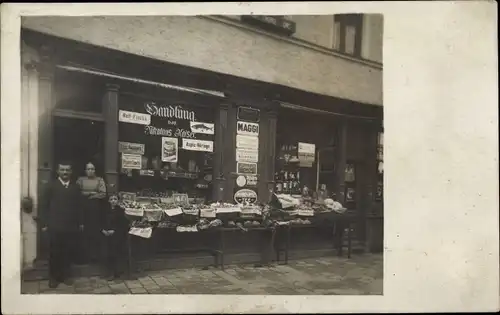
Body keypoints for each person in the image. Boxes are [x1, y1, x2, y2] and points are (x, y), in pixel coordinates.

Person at [39, 161, 84, 288]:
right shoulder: (51, 186)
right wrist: (44, 223)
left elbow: (79, 207)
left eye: (67, 170)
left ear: (71, 172)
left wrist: (80, 222)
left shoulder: (75, 187)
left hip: (70, 226)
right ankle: (53, 277)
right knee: (54, 252)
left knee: (68, 251)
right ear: (58, 171)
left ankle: (65, 276)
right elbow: (44, 206)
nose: (65, 172)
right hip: (55, 226)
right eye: (62, 170)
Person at [76, 162, 107, 263]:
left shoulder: (99, 180)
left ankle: (94, 257)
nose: (90, 171)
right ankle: (83, 257)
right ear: (85, 170)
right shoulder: (81, 180)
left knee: (94, 232)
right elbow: (76, 192)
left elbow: (103, 194)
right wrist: (90, 193)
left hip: (95, 209)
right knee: (83, 232)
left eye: (92, 169)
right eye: (88, 169)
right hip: (82, 208)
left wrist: (91, 196)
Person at [100, 193, 129, 281]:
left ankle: (115, 272)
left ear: (118, 201)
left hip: (116, 235)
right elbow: (99, 221)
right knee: (106, 253)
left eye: (115, 199)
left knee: (115, 253)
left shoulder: (120, 211)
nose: (113, 201)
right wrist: (103, 230)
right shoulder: (104, 210)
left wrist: (114, 230)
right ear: (109, 201)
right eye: (111, 199)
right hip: (105, 234)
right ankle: (108, 272)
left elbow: (122, 224)